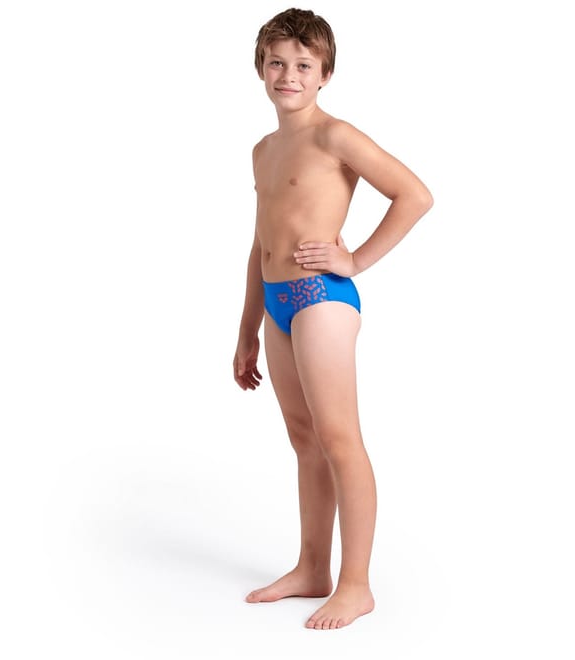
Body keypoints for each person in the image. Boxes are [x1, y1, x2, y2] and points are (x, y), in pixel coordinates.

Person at [233, 8, 434, 630]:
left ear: (325, 74)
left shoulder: (334, 136)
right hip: (276, 303)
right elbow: (260, 242)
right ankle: (312, 568)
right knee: (304, 439)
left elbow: (415, 195)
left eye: (303, 65)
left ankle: (355, 585)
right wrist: (246, 331)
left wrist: (355, 259)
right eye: (276, 63)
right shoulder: (264, 150)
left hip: (321, 297)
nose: (288, 75)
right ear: (260, 69)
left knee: (339, 436)